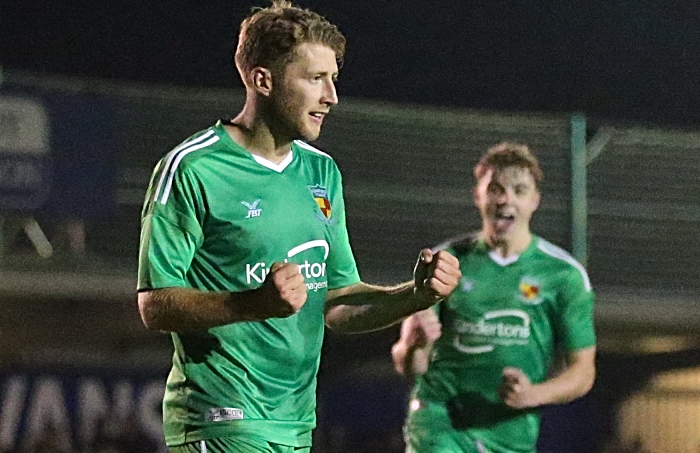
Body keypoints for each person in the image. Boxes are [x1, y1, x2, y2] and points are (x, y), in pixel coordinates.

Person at [136, 2, 461, 452]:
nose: (332, 96)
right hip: (223, 420)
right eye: (315, 79)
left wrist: (417, 294)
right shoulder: (193, 168)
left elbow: (337, 304)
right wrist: (253, 304)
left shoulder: (322, 173)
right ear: (262, 80)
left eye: (334, 79)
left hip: (294, 423)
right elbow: (155, 304)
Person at [392, 142, 596, 453]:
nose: (505, 199)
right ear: (478, 196)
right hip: (440, 427)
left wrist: (533, 394)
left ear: (535, 201)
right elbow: (410, 365)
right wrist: (413, 345)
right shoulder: (446, 262)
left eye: (518, 190)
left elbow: (582, 372)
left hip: (509, 436)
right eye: (495, 189)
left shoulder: (564, 276)